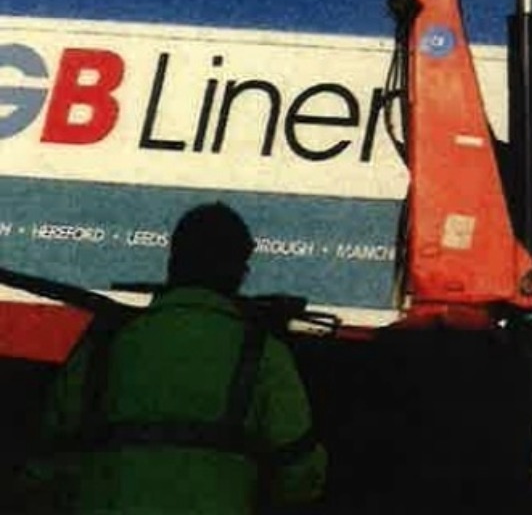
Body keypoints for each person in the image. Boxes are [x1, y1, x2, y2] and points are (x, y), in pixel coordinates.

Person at [27, 202, 327, 513]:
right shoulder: (263, 352)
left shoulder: (106, 341)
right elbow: (302, 476)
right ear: (241, 271)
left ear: (173, 262)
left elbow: (47, 464)